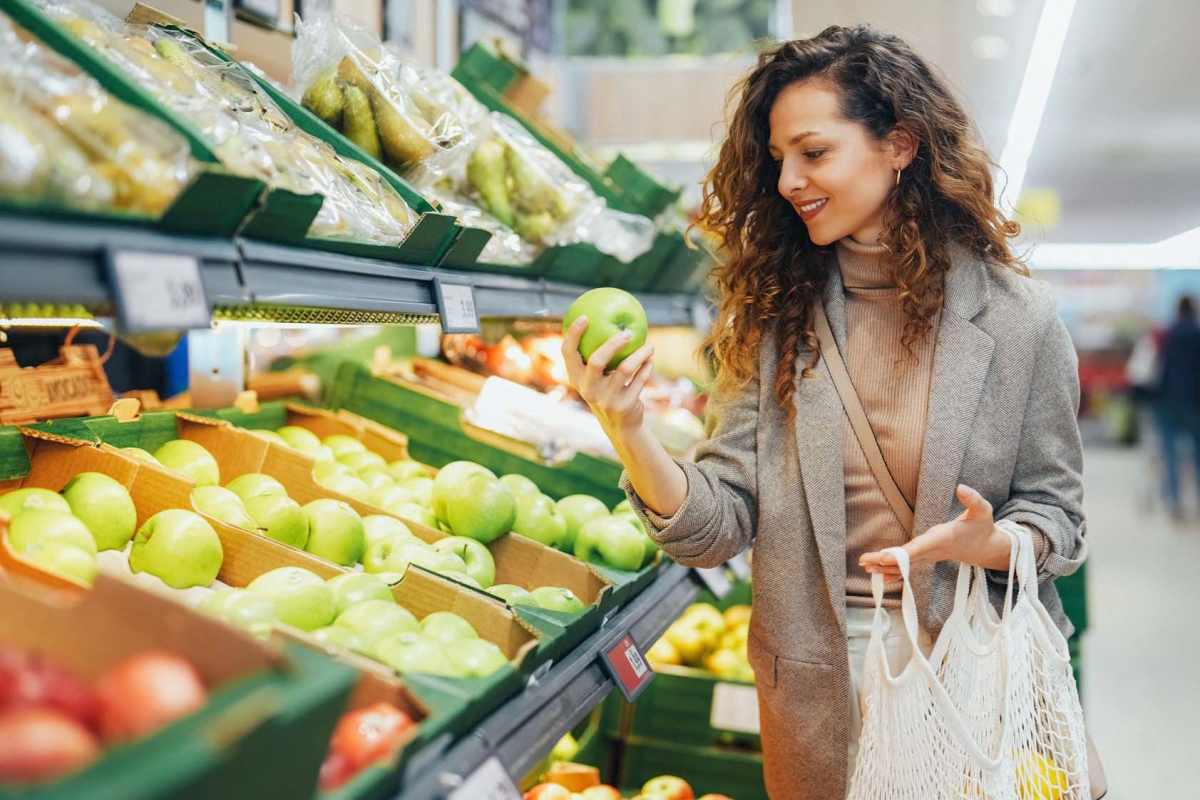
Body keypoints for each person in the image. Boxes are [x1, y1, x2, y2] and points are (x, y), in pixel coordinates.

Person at [562, 25, 1087, 800]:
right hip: (816, 681)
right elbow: (717, 526)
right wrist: (629, 429)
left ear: (900, 144)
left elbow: (1060, 520)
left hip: (968, 673)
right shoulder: (774, 318)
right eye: (777, 159)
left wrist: (995, 541)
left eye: (813, 153)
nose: (787, 181)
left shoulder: (1019, 321)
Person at [1154, 295, 1200, 519]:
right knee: (1197, 454)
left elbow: (1162, 366)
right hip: (1194, 401)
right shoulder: (1197, 333)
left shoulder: (1169, 333)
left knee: (1170, 453)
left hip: (1169, 399)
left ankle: (1174, 501)